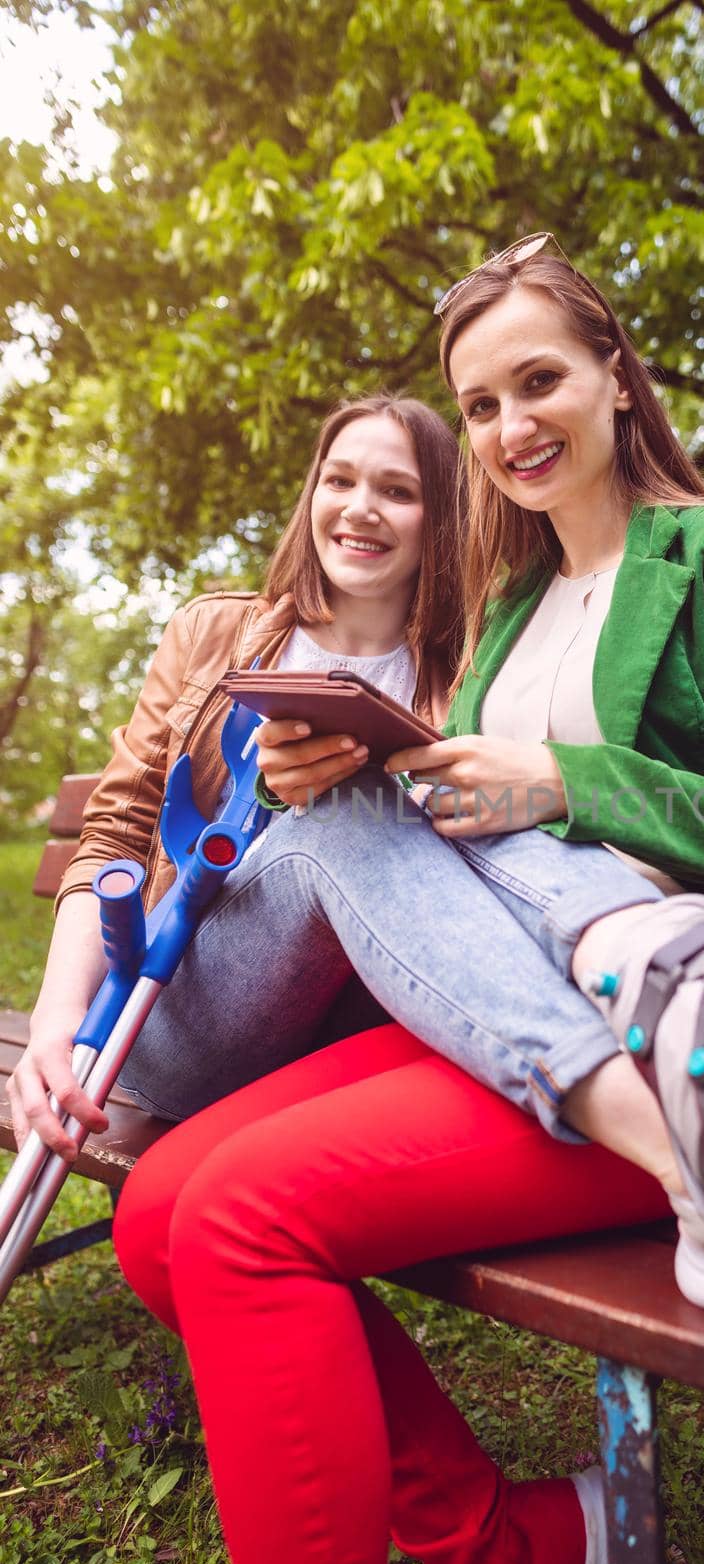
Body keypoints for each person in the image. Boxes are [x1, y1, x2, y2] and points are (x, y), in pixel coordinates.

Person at [16, 238, 704, 1564]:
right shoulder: (494, 614)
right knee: (159, 1208)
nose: (511, 427)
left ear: (614, 379)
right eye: (481, 403)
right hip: (492, 1005)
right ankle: (531, 1550)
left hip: (645, 1031)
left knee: (230, 1226)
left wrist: (561, 779)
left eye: (538, 381)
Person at [9, 392, 465, 1149]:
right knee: (339, 815)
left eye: (398, 491)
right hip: (184, 1010)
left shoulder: (467, 673)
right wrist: (56, 1024)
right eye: (339, 480)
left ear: (439, 517)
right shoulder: (214, 632)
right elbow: (118, 830)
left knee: (357, 817)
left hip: (368, 1041)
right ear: (311, 492)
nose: (360, 509)